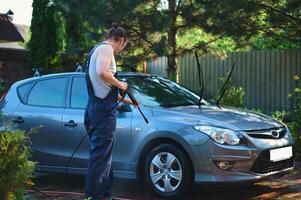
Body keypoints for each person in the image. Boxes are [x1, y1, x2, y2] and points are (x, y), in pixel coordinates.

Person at [84, 24, 132, 200]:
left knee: (103, 157)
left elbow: (101, 86)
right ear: (121, 40)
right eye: (123, 46)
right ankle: (92, 197)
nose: (120, 50)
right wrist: (122, 85)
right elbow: (102, 72)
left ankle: (104, 194)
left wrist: (125, 100)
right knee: (100, 157)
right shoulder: (106, 49)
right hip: (102, 112)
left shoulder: (96, 50)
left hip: (95, 107)